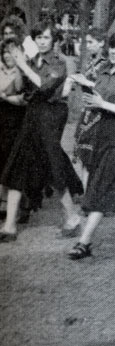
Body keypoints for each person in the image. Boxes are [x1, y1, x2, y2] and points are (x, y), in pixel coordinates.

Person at [66, 33, 115, 259]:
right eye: (111, 47)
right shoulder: (103, 72)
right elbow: (101, 88)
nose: (112, 51)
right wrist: (87, 86)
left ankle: (84, 242)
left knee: (101, 186)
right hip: (102, 136)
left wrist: (102, 103)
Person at [0, 22, 83, 241]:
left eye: (46, 38)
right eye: (38, 38)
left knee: (53, 166)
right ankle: (9, 226)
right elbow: (22, 90)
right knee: (18, 164)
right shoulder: (30, 61)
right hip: (32, 114)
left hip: (50, 115)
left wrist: (24, 66)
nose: (42, 41)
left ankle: (72, 217)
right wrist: (17, 66)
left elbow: (45, 87)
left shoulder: (58, 63)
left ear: (53, 41)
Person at [64, 28, 107, 184]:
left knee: (96, 155)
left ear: (102, 43)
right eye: (86, 42)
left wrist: (85, 81)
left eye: (91, 42)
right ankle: (87, 193)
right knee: (84, 153)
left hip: (100, 114)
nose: (87, 46)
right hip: (88, 111)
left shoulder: (106, 64)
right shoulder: (92, 61)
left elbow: (107, 89)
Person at [0, 39, 27, 221]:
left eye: (12, 52)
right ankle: (4, 202)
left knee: (15, 163)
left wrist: (3, 96)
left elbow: (21, 95)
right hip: (2, 120)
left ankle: (22, 206)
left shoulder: (24, 72)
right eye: (5, 52)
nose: (8, 56)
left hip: (18, 121)